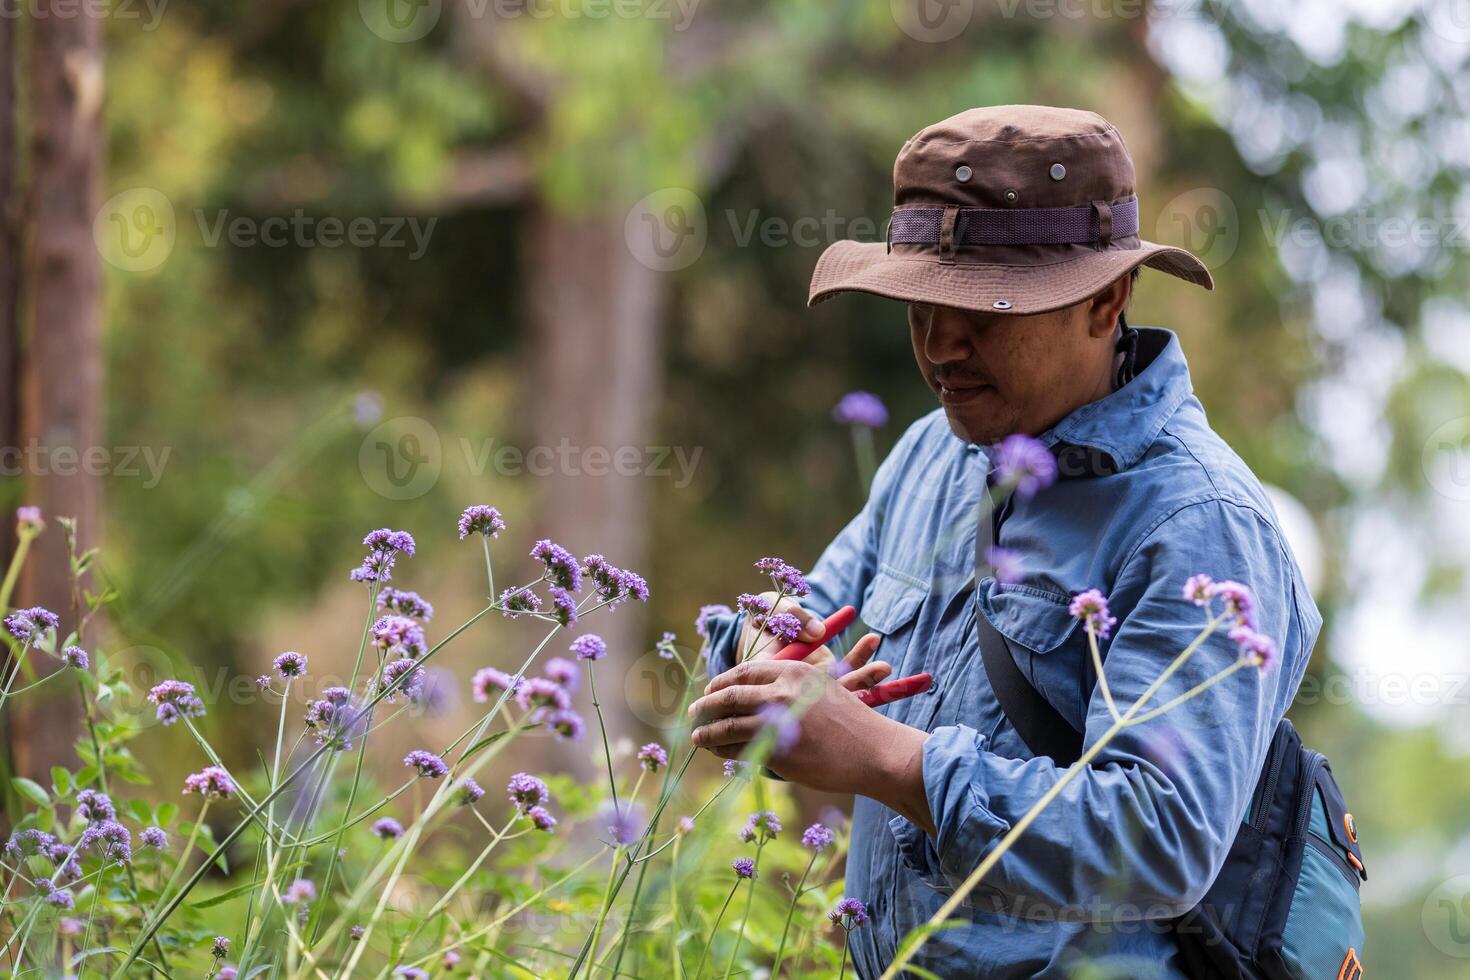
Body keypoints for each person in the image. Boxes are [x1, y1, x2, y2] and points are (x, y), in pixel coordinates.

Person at [688, 105, 1321, 978]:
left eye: (984, 308)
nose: (941, 342)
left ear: (1106, 300)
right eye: (921, 304)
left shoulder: (1199, 524)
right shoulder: (927, 454)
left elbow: (1163, 839)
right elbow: (798, 617)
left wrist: (883, 757)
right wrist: (768, 656)